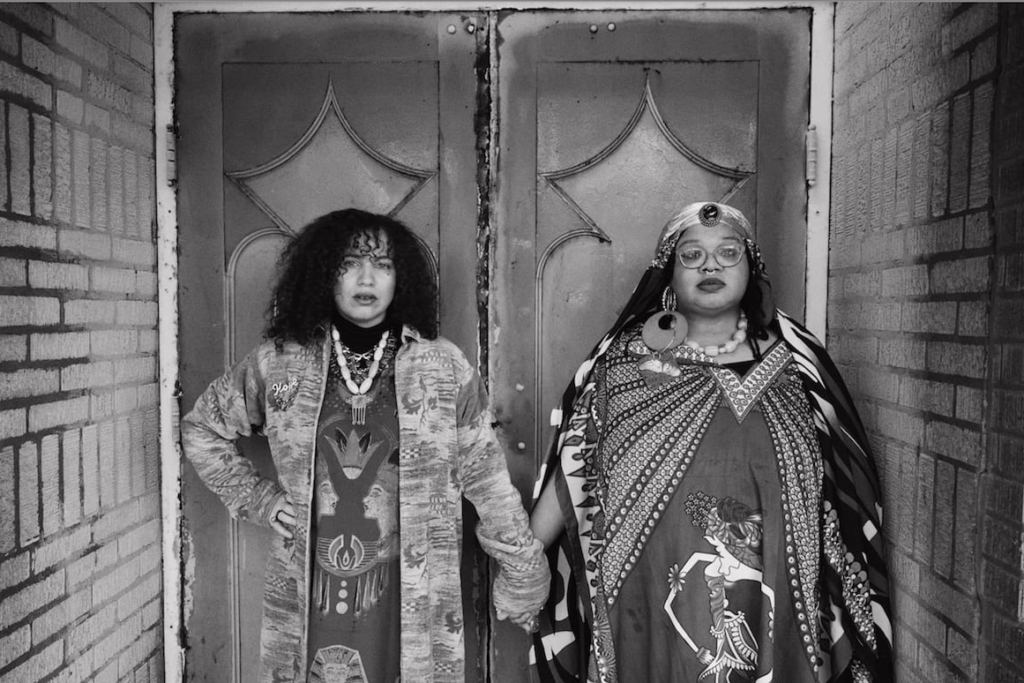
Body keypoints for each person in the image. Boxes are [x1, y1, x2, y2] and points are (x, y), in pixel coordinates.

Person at [529, 202, 894, 683]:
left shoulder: (800, 368)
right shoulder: (622, 367)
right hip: (642, 592)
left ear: (752, 268)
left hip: (776, 588)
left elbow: (845, 495)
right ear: (667, 275)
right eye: (691, 255)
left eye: (727, 252)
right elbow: (576, 468)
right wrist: (523, 554)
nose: (710, 266)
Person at [180, 208, 549, 683]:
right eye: (349, 262)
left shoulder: (443, 366)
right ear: (322, 273)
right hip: (309, 585)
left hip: (411, 586)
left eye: (384, 264)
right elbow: (202, 430)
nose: (367, 277)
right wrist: (258, 499)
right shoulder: (278, 363)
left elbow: (483, 471)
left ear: (402, 279)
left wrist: (522, 564)